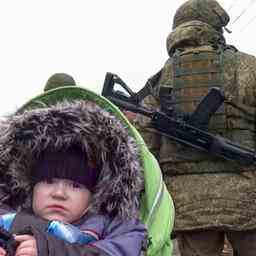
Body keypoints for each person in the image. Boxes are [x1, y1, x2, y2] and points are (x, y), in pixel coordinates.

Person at [134, 0, 256, 255]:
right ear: (216, 26)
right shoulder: (248, 68)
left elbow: (145, 148)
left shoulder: (160, 78)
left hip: (189, 205)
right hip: (248, 197)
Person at [0, 75, 148, 256]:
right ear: (30, 187)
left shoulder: (113, 227)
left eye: (76, 185)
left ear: (95, 194)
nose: (59, 194)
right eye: (48, 180)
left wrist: (52, 251)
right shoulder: (7, 218)